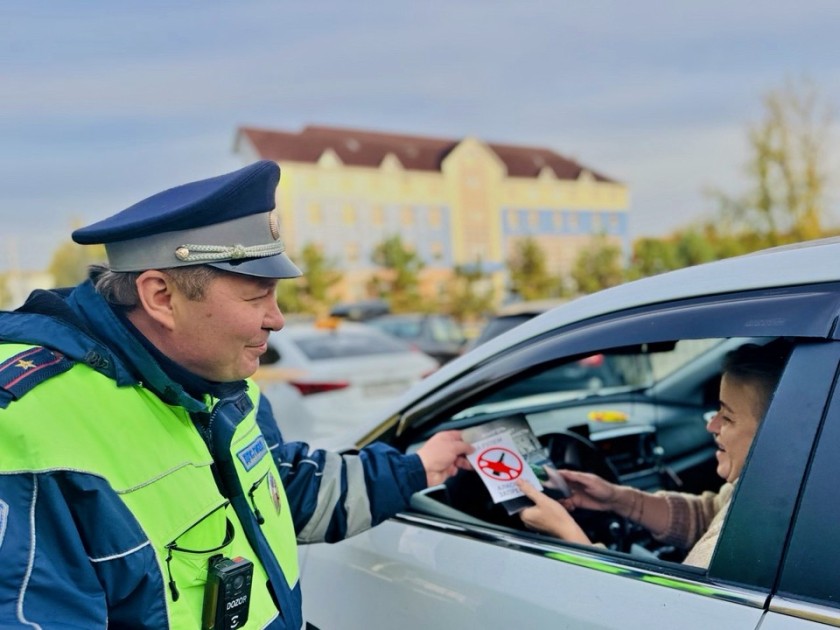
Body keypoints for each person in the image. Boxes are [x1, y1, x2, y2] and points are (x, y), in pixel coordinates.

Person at [0, 160, 473, 629]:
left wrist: (416, 469)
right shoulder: (27, 421)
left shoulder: (217, 381)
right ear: (161, 296)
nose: (278, 318)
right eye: (257, 295)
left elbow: (275, 493)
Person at [516, 340, 791, 569]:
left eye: (727, 417)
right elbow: (710, 516)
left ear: (773, 433)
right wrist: (617, 498)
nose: (711, 425)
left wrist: (566, 533)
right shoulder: (768, 492)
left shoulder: (749, 537)